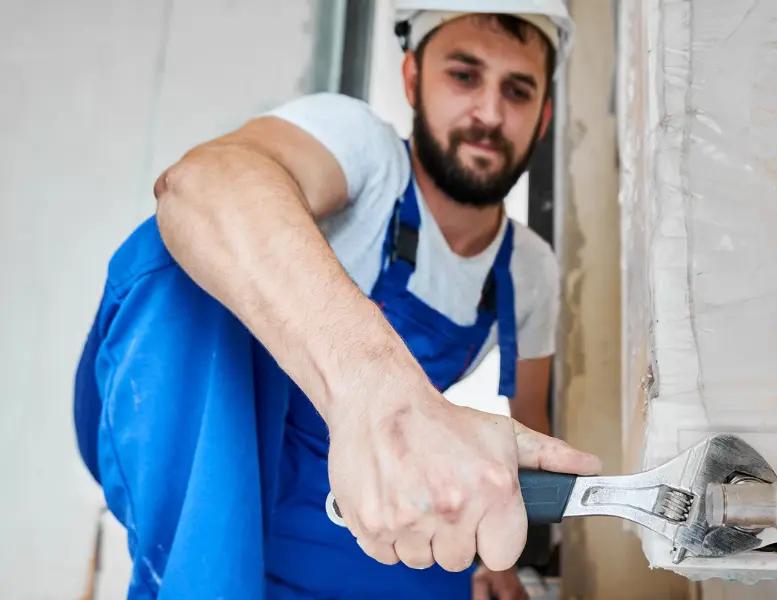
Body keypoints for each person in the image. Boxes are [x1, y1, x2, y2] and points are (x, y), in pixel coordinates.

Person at [72, 1, 600, 597]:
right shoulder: (365, 153)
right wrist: (374, 387)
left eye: (519, 91)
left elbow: (528, 426)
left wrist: (498, 558)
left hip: (358, 513)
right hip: (226, 474)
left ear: (544, 115)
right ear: (412, 77)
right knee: (175, 255)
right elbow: (198, 183)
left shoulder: (528, 270)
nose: (489, 111)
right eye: (464, 75)